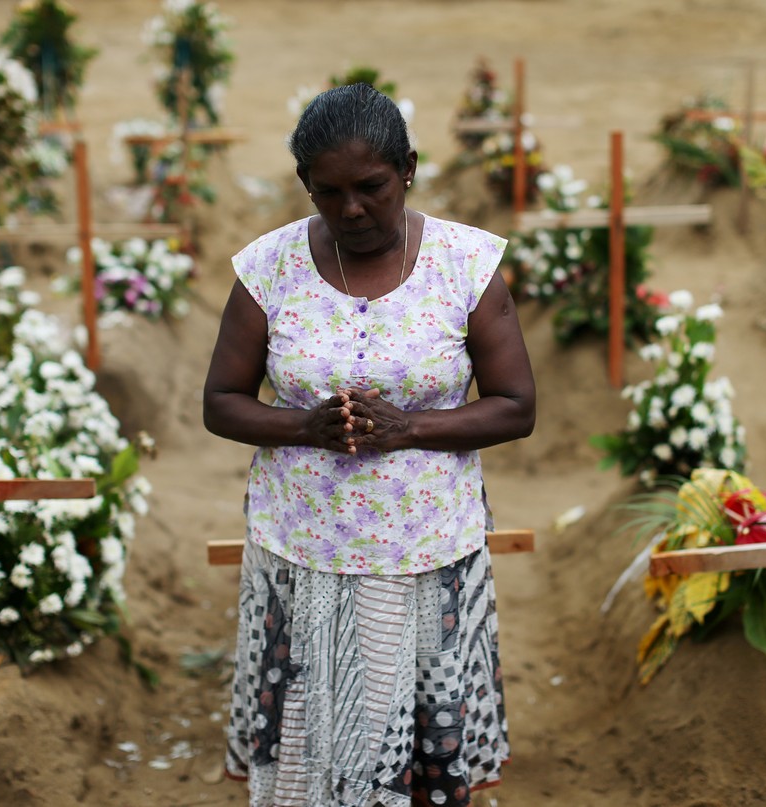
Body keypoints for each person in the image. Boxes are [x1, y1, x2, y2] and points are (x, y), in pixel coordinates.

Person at [203, 82, 535, 807]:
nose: (351, 208)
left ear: (408, 169)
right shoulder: (268, 268)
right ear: (305, 185)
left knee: (408, 754)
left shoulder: (465, 266)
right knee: (311, 748)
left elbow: (517, 406)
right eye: (329, 192)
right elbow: (219, 402)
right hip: (302, 551)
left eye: (371, 187)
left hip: (423, 553)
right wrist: (302, 425)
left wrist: (407, 427)